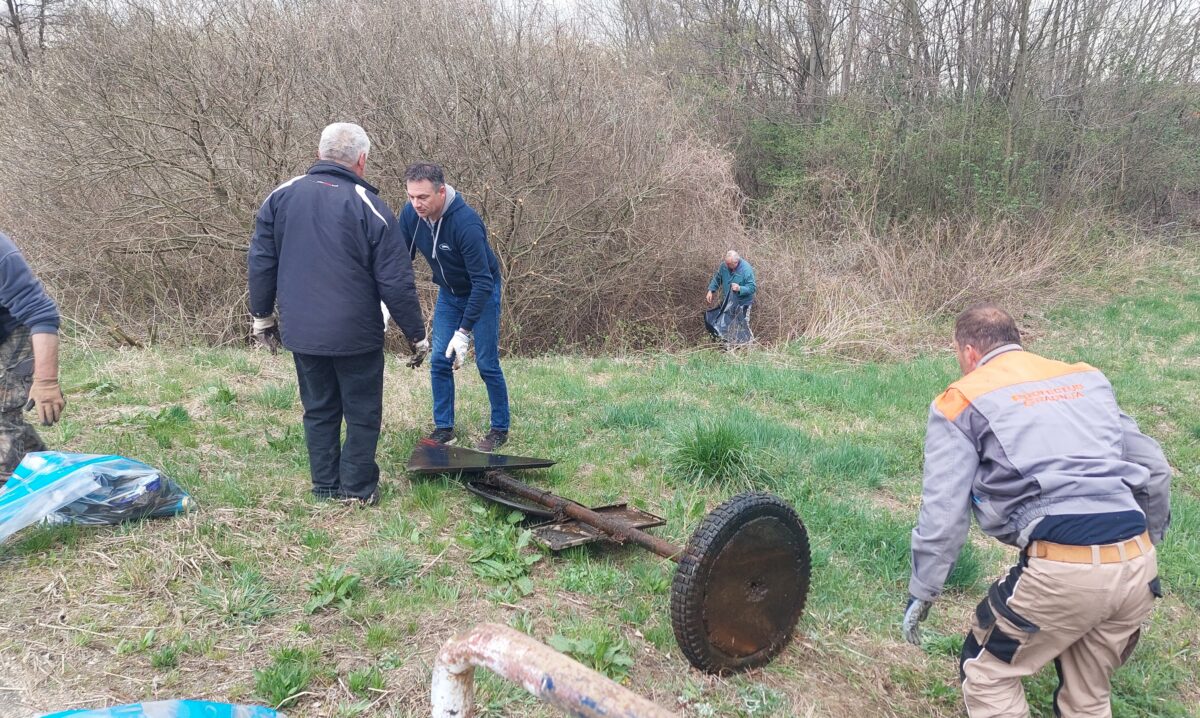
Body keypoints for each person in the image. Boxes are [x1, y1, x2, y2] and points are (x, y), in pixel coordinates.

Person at [903, 303, 1171, 718]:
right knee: (1089, 697)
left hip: (1064, 566)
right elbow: (1154, 469)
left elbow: (944, 513)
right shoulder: (1085, 378)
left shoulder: (960, 400)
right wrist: (1144, 542)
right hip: (1138, 565)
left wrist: (924, 590)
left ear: (969, 352)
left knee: (986, 671)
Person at [247, 123, 426, 506]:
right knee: (362, 412)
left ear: (320, 153)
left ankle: (325, 486)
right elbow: (396, 281)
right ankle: (357, 490)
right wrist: (417, 334)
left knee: (318, 409)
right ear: (362, 159)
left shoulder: (280, 197)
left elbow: (261, 261)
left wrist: (262, 316)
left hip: (302, 332)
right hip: (356, 334)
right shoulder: (370, 205)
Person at [399, 162, 510, 452]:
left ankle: (499, 429)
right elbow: (400, 259)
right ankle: (444, 429)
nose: (416, 203)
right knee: (439, 360)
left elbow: (483, 283)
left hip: (481, 291)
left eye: (423, 197)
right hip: (449, 293)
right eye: (411, 196)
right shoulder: (410, 215)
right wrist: (386, 298)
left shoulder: (466, 224)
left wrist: (463, 333)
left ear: (441, 192)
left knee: (486, 363)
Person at [0, 231, 65, 486]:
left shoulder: (2, 254)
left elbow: (41, 314)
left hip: (12, 331)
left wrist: (46, 382)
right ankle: (48, 478)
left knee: (3, 420)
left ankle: (9, 494)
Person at [704, 250, 756, 345]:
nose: (726, 266)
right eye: (726, 263)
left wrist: (740, 288)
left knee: (743, 325)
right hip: (728, 302)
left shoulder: (746, 269)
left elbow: (752, 288)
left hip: (742, 303)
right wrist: (711, 290)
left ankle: (750, 346)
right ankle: (731, 346)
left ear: (736, 262)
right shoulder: (724, 266)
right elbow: (717, 278)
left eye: (729, 264)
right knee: (728, 324)